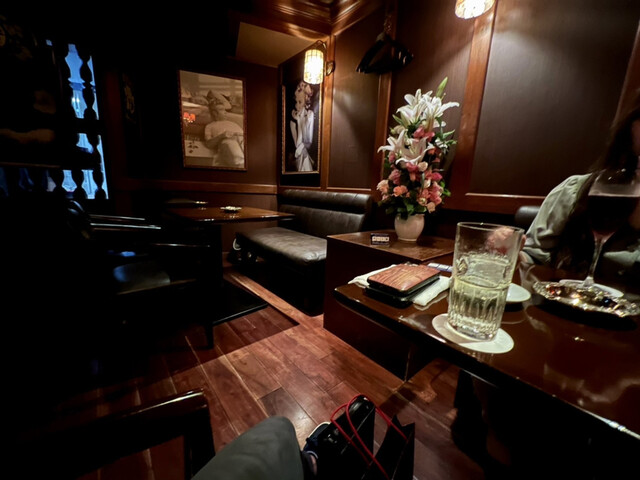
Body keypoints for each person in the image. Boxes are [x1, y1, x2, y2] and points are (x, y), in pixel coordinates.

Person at [521, 93, 640, 292]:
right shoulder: (579, 190)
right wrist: (510, 252)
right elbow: (534, 258)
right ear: (632, 126)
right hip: (563, 306)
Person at [203, 91, 244, 168]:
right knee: (229, 143)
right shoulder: (210, 126)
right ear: (214, 113)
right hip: (227, 142)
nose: (225, 112)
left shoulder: (233, 123)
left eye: (225, 110)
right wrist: (222, 136)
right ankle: (240, 165)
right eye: (222, 110)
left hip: (241, 139)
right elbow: (208, 144)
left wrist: (239, 135)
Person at [290, 81, 316, 172]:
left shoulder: (310, 115)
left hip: (305, 156)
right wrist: (298, 121)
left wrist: (302, 147)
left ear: (306, 100)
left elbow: (309, 142)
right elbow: (298, 146)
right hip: (300, 158)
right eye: (296, 102)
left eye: (300, 102)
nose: (297, 106)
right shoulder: (293, 122)